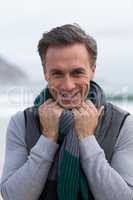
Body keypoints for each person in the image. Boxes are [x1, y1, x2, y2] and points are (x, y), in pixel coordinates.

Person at [0, 24, 133, 200]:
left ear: (92, 70)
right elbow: (13, 196)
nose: (68, 85)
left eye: (77, 73)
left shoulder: (122, 124)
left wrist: (87, 138)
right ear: (45, 73)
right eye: (57, 73)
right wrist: (48, 137)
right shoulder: (22, 122)